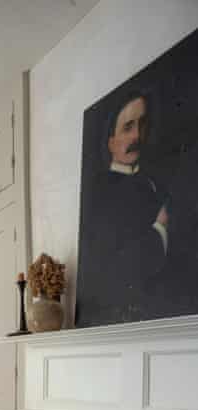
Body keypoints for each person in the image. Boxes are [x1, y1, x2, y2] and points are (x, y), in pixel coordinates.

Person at [80, 91, 172, 322]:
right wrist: (161, 227)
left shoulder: (152, 184)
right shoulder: (102, 193)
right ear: (111, 142)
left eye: (142, 125)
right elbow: (120, 266)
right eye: (128, 127)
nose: (137, 135)